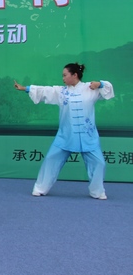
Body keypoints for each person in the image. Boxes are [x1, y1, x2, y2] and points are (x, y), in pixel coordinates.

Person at [14, 63, 114, 199]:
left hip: (88, 135)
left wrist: (100, 84)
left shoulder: (90, 88)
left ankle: (97, 191)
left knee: (99, 162)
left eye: (65, 75)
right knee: (51, 159)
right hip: (66, 135)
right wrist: (24, 88)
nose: (63, 78)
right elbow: (44, 91)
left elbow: (108, 88)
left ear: (74, 75)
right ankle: (40, 188)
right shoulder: (61, 91)